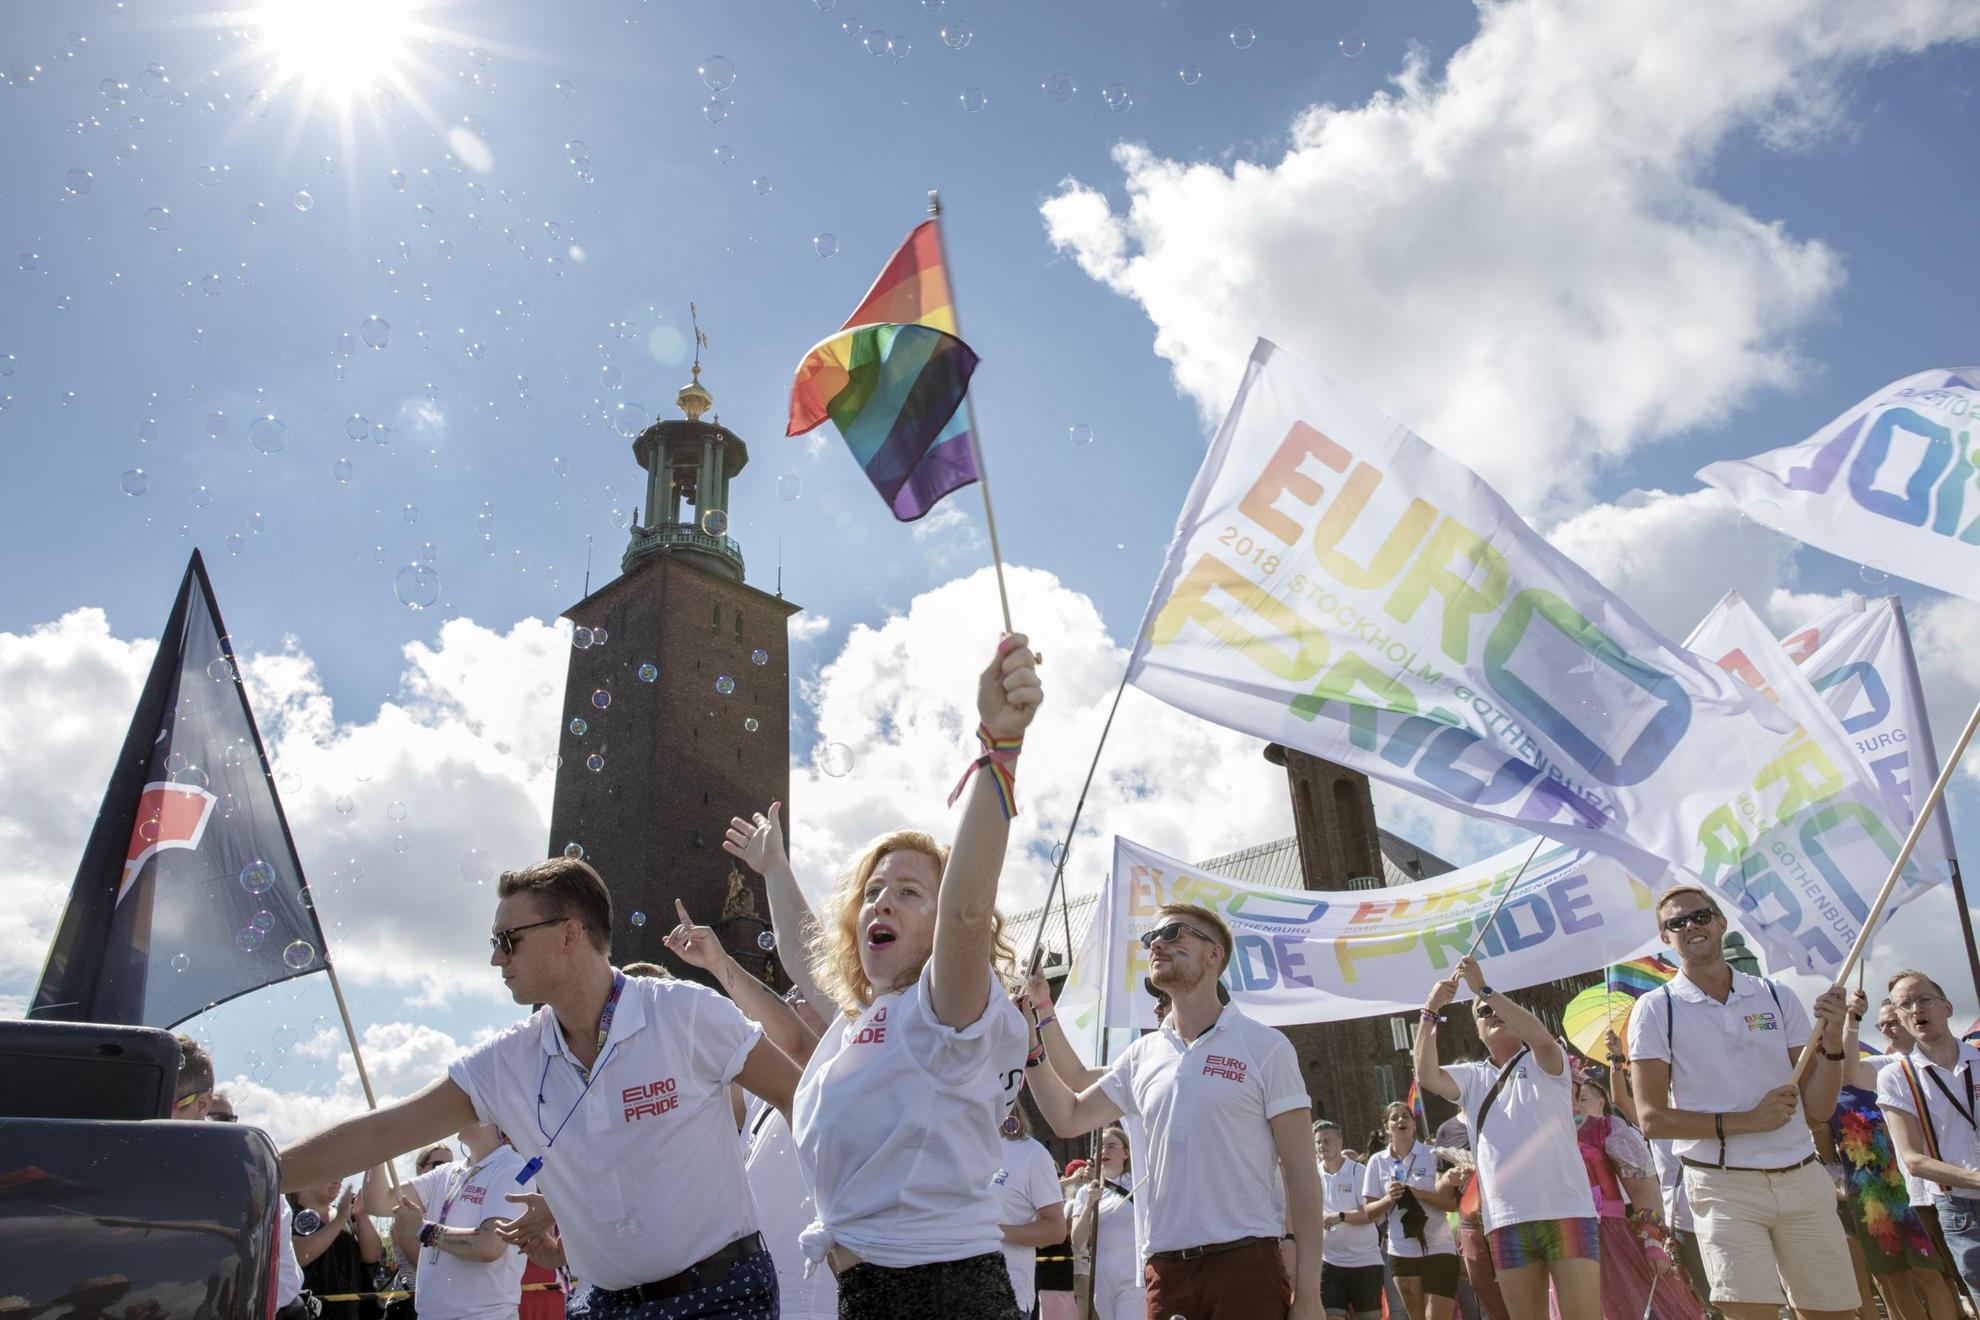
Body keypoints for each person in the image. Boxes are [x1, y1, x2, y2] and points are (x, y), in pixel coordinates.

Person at [279, 854, 801, 1319]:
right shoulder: (509, 1059)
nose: (495, 959)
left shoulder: (685, 1013)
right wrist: (251, 1172)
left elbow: (799, 1098)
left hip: (720, 1297)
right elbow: (385, 1131)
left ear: (570, 934)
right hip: (601, 1305)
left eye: (508, 941)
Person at [728, 631, 1042, 1318]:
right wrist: (776, 868)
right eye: (873, 890)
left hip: (943, 1297)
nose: (882, 901)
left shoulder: (946, 1012)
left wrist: (999, 750)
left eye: (908, 891)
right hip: (868, 1297)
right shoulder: (861, 1022)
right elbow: (808, 955)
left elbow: (965, 912)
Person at [1026, 901, 1325, 1320]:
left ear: (1214, 954)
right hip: (1165, 1274)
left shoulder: (1265, 1047)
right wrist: (1032, 1033)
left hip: (1243, 1264)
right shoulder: (1142, 1055)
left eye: (1173, 934)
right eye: (1151, 938)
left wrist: (1309, 1294)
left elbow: (1301, 1173)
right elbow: (1069, 1115)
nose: (1156, 946)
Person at [1626, 884, 1858, 1320]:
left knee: (1835, 1314)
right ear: (1666, 939)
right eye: (1676, 923)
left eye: (1699, 915)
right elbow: (1652, 1119)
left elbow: (1818, 1111)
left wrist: (1831, 1044)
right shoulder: (1656, 1009)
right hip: (1723, 1184)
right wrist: (1749, 1120)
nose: (1690, 926)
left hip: (1801, 1177)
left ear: (1720, 922)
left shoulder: (1775, 995)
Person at [1414, 957, 1596, 1320]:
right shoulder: (1472, 1077)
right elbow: (1427, 1075)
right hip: (1506, 1219)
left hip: (1566, 1210)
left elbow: (1542, 1038)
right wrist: (1431, 1011)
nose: (1491, 1014)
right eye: (1482, 1013)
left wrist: (1484, 989)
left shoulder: (1547, 1062)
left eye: (1497, 1007)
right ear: (1477, 1030)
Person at [1848, 991, 1964, 1319]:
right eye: (1881, 1024)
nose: (1888, 1029)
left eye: (1892, 1021)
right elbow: (1851, 1070)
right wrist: (1851, 1021)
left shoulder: (1965, 1057)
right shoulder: (1890, 1069)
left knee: (1950, 1273)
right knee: (1947, 1273)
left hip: (1958, 1183)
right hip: (1922, 1191)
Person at [358, 1121, 533, 1320]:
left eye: (465, 1103)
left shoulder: (513, 1166)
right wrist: (379, 1148)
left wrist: (422, 1229)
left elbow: (490, 1245)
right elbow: (378, 1202)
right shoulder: (447, 1171)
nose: (455, 1113)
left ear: (487, 1115)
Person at [1878, 969, 1980, 1303]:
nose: (1917, 1010)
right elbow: (1913, 1159)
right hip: (1959, 1207)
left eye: (1925, 1000)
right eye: (1905, 1006)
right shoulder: (1896, 1076)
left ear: (1948, 1007)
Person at [1571, 1076, 1701, 1318]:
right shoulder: (1537, 1138)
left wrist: (1652, 1240)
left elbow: (1644, 1189)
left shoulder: (1605, 1129)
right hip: (1562, 1242)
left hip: (1611, 1239)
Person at [990, 1102, 1070, 1319]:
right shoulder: (963, 1149)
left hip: (1006, 1294)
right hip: (954, 1288)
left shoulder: (1030, 1153)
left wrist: (992, 1231)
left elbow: (1055, 1229)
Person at [1313, 1119, 1384, 1320]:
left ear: (1340, 1144)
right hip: (1329, 1263)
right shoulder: (1313, 1174)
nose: (1322, 1146)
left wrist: (1341, 1217)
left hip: (1364, 1263)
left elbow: (1371, 1213)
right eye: (1318, 1142)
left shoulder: (1358, 1171)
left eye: (1327, 1141)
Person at [1069, 1126, 1141, 1320]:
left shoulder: (1138, 1183)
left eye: (1111, 1146)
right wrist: (1089, 1205)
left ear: (1126, 1152)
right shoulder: (1085, 1192)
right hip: (1101, 1272)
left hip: (1132, 1270)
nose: (1104, 1152)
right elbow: (1078, 1242)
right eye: (1100, 1147)